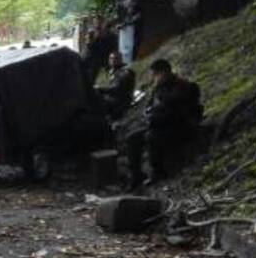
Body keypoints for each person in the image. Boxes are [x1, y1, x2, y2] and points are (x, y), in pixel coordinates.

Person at [125, 58, 203, 188]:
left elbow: (174, 108)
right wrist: (150, 114)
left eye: (155, 75)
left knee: (152, 137)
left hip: (179, 125)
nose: (154, 78)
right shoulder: (159, 88)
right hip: (158, 123)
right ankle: (136, 175)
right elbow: (150, 107)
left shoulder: (182, 86)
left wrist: (157, 110)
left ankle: (158, 172)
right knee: (132, 138)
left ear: (163, 73)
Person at [96, 51, 136, 121]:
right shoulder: (114, 71)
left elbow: (116, 88)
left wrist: (100, 89)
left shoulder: (125, 72)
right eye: (111, 59)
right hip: (115, 100)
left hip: (122, 102)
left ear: (120, 59)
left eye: (115, 58)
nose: (113, 61)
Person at [82, 19, 118, 85]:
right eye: (97, 23)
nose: (99, 25)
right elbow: (88, 45)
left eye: (100, 24)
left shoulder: (111, 35)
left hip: (101, 57)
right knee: (91, 77)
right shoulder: (92, 33)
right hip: (92, 58)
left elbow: (113, 48)